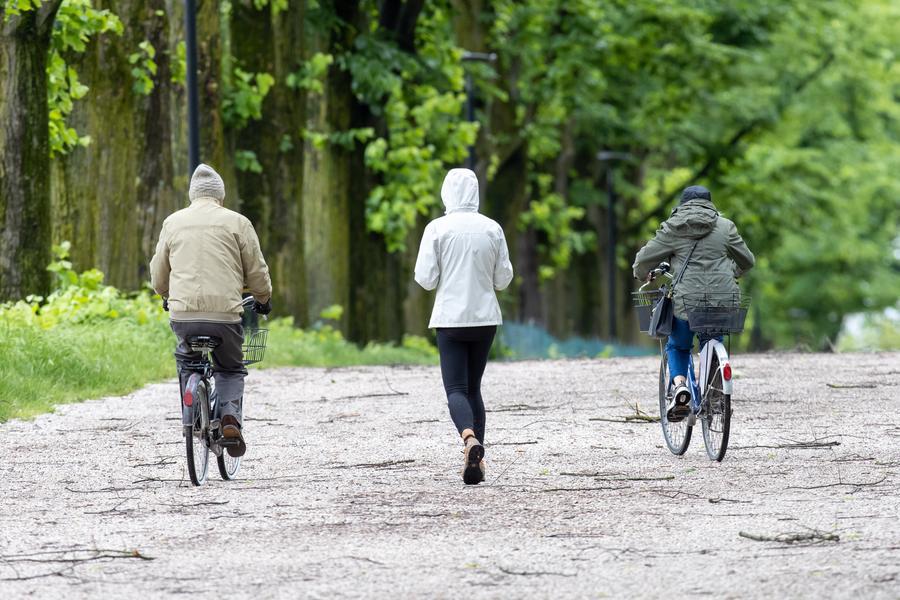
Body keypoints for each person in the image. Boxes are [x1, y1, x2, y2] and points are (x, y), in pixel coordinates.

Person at [150, 164, 272, 457]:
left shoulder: (172, 222)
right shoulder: (238, 222)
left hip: (184, 315)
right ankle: (229, 417)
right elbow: (256, 270)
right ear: (220, 195)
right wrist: (263, 298)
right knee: (229, 368)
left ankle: (191, 416)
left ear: (192, 195)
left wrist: (165, 294)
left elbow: (158, 275)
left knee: (187, 360)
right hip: (225, 315)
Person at [414, 168, 514, 485]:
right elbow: (503, 279)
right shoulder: (492, 228)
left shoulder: (436, 229)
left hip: (450, 319)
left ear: (446, 193)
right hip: (485, 319)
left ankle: (469, 438)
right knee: (474, 389)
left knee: (456, 389)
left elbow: (426, 279)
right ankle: (477, 462)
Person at [632, 185, 754, 422]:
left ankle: (680, 387)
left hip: (686, 302)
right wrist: (731, 272)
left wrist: (642, 274)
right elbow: (747, 260)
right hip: (723, 299)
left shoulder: (673, 227)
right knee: (712, 340)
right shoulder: (725, 227)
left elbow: (642, 261)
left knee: (678, 345)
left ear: (682, 204)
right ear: (710, 203)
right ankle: (716, 395)